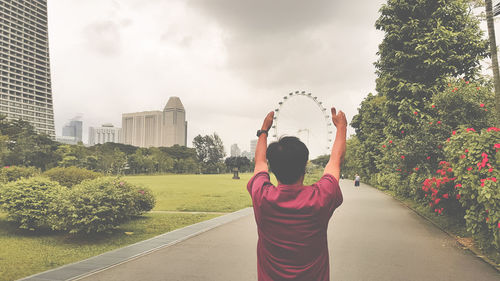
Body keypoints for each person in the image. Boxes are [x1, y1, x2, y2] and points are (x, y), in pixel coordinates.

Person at [247, 107, 347, 281]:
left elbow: (259, 162)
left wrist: (264, 130)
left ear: (273, 169)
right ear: (304, 166)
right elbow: (335, 160)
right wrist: (341, 128)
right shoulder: (321, 196)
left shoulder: (262, 195)